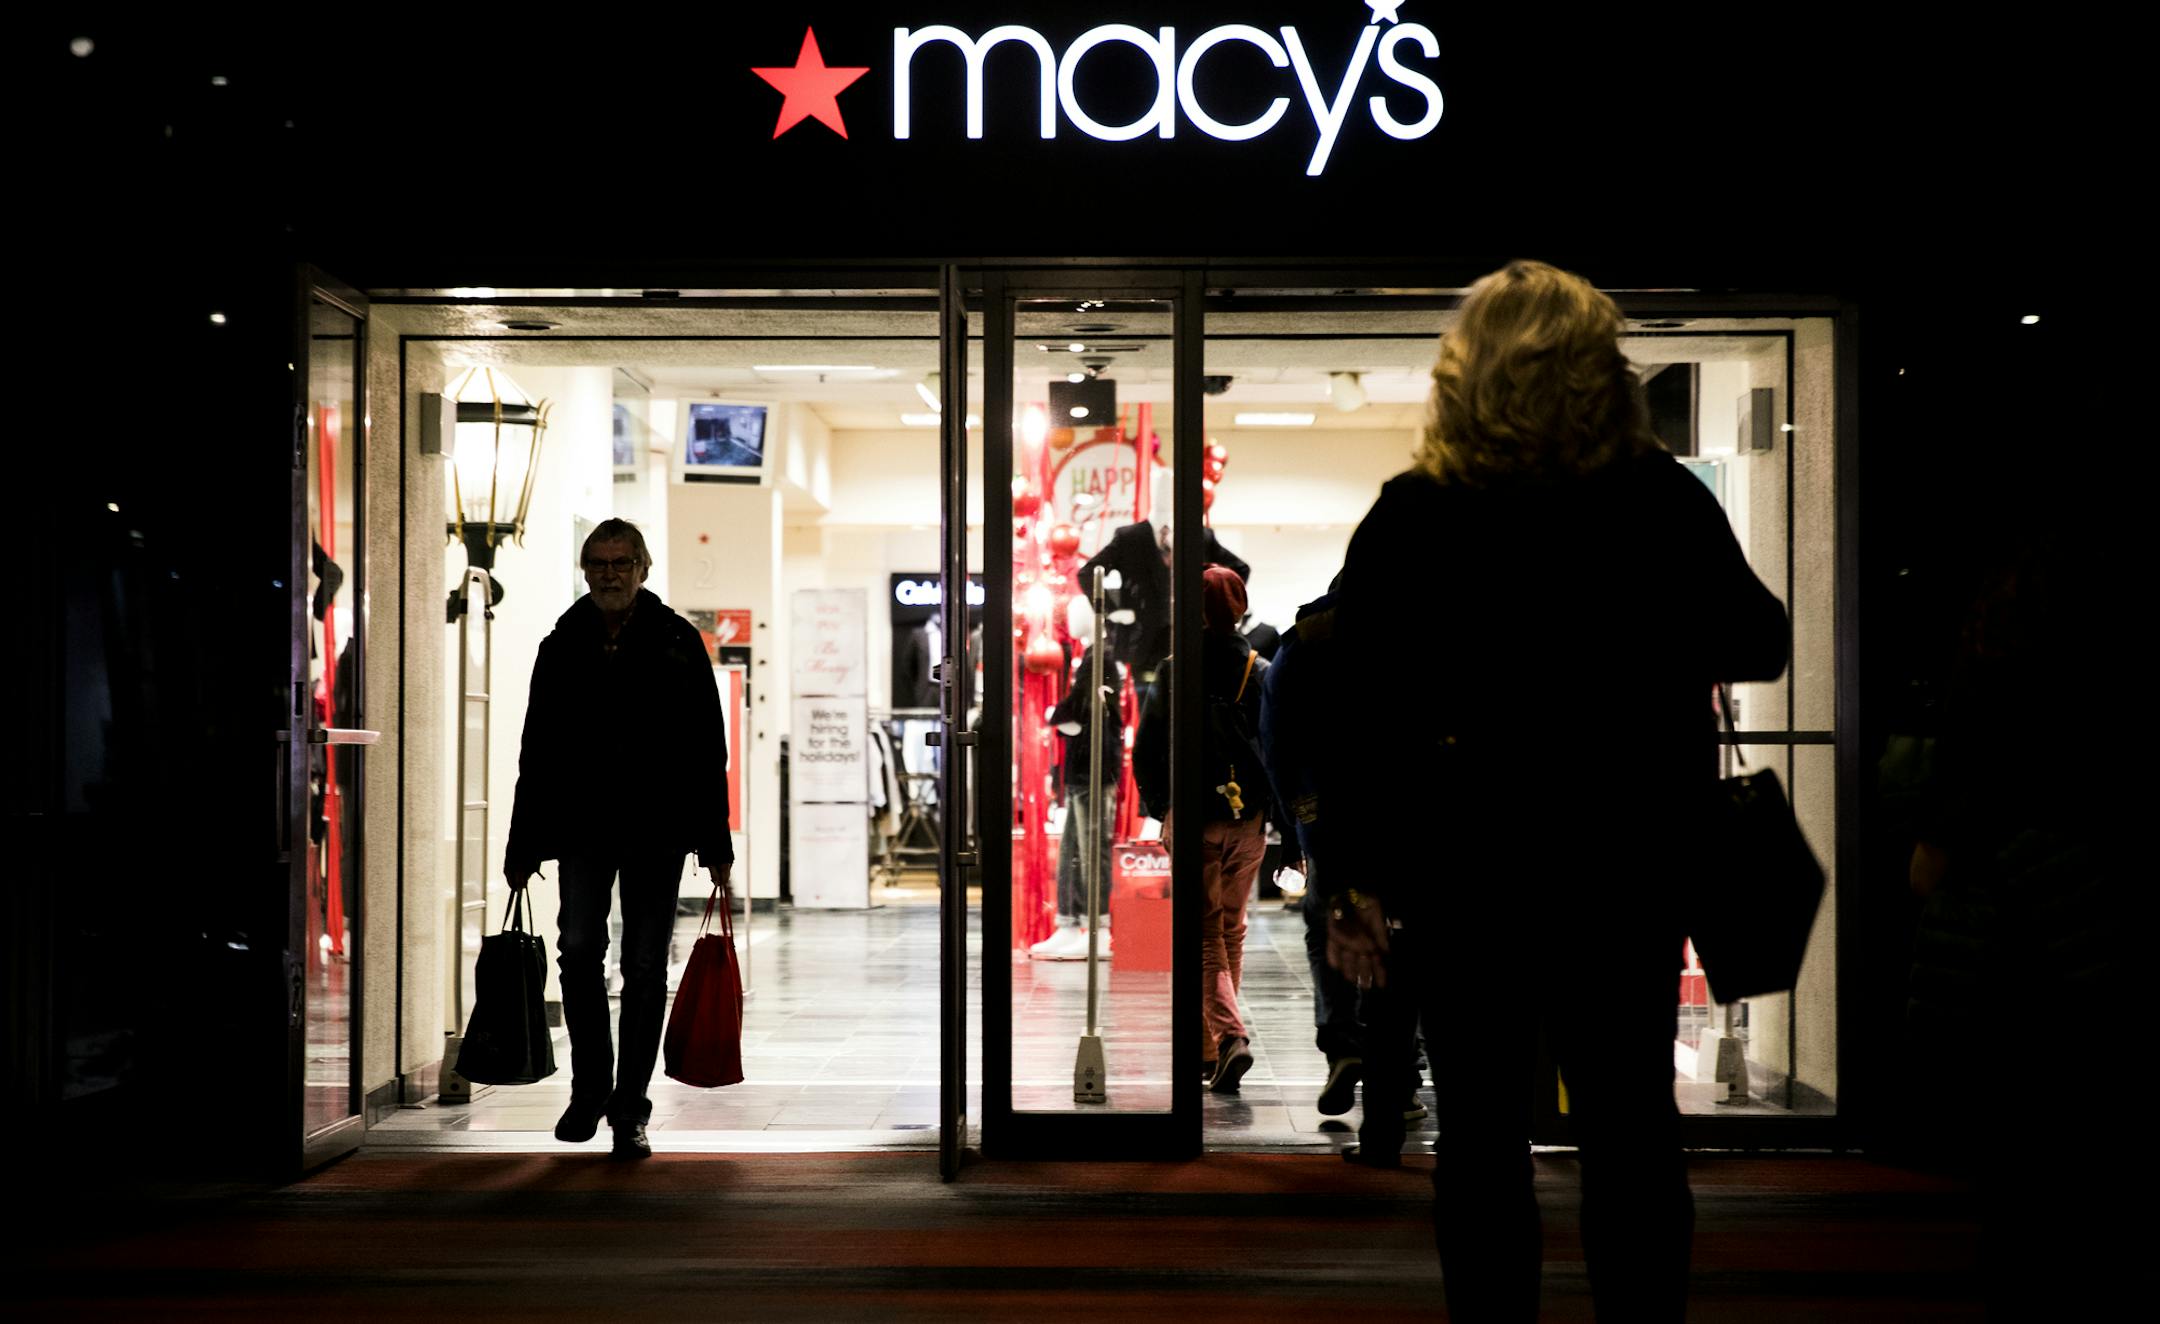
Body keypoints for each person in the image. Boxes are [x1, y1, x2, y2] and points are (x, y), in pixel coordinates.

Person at [1320, 260, 1788, 1319]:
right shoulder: (1655, 500)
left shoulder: (1417, 512)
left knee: (1480, 1137)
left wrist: (1351, 877)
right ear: (1596, 374)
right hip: (1625, 860)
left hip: (1466, 868)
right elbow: (1762, 641)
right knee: (1631, 1128)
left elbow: (1362, 712)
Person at [503, 518, 734, 1160]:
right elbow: (537, 751)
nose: (610, 574)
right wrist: (523, 844)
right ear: (586, 570)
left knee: (641, 967)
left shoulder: (678, 641)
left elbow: (706, 750)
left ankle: (629, 1107)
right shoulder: (563, 643)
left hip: (656, 831)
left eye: (621, 563)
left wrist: (714, 843)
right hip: (581, 828)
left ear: (643, 568)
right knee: (577, 951)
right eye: (599, 563)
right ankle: (590, 1088)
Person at [1132, 563, 1297, 1092]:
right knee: (1231, 929)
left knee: (1203, 934)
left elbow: (1148, 750)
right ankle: (1209, 1051)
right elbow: (1277, 751)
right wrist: (1280, 821)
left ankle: (1228, 1039)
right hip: (1248, 822)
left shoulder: (1175, 669)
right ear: (1240, 607)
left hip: (1195, 818)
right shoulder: (1262, 669)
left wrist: (1164, 807)